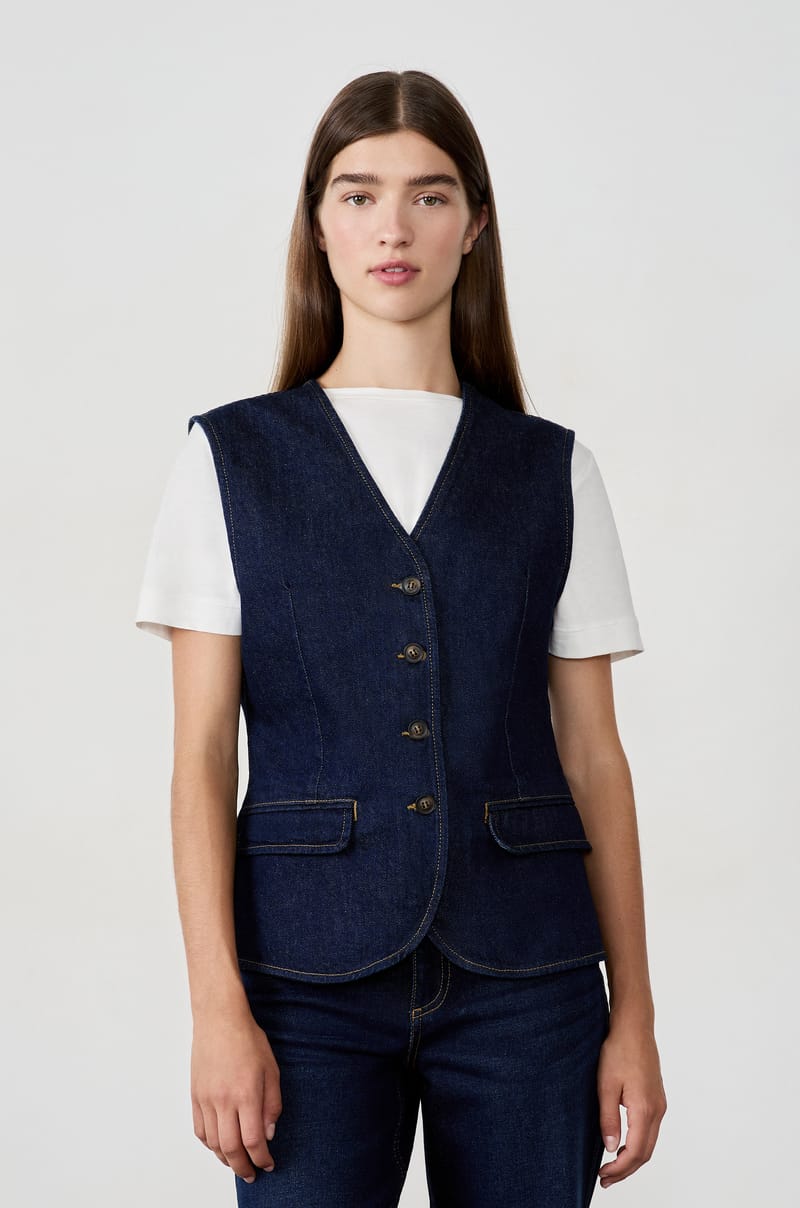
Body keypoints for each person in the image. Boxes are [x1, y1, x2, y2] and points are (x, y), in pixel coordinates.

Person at [136, 69, 666, 1206]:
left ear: (473, 226)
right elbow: (200, 758)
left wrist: (635, 1013)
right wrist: (216, 1008)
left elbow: (594, 759)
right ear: (317, 223)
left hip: (529, 976)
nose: (392, 227)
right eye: (358, 193)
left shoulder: (551, 469)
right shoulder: (229, 460)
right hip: (300, 978)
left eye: (429, 196)